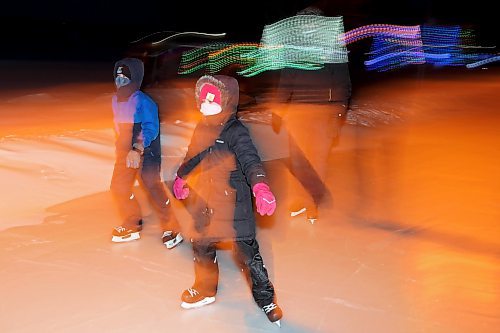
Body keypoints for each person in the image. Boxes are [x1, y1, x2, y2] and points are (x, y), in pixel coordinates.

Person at [172, 74, 283, 326]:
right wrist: (181, 176)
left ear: (227, 101)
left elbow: (250, 160)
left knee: (247, 255)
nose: (204, 105)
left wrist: (260, 186)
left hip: (235, 204)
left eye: (211, 100)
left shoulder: (235, 131)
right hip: (209, 200)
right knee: (201, 244)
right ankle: (206, 289)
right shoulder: (202, 127)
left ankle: (266, 298)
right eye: (202, 100)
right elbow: (193, 154)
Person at [272, 5, 352, 223]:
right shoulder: (294, 48)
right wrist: (278, 109)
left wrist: (337, 115)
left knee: (316, 160)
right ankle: (301, 199)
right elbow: (286, 80)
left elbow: (343, 84)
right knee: (298, 162)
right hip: (297, 113)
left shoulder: (334, 46)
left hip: (323, 114)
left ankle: (312, 203)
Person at [109, 57, 183, 249]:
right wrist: (122, 147)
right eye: (118, 79)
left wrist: (137, 147)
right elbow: (119, 127)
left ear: (134, 80)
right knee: (119, 186)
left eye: (125, 79)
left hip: (146, 148)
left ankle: (172, 226)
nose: (120, 83)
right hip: (126, 150)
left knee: (150, 183)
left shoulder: (143, 102)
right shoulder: (115, 100)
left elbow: (150, 128)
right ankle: (133, 223)